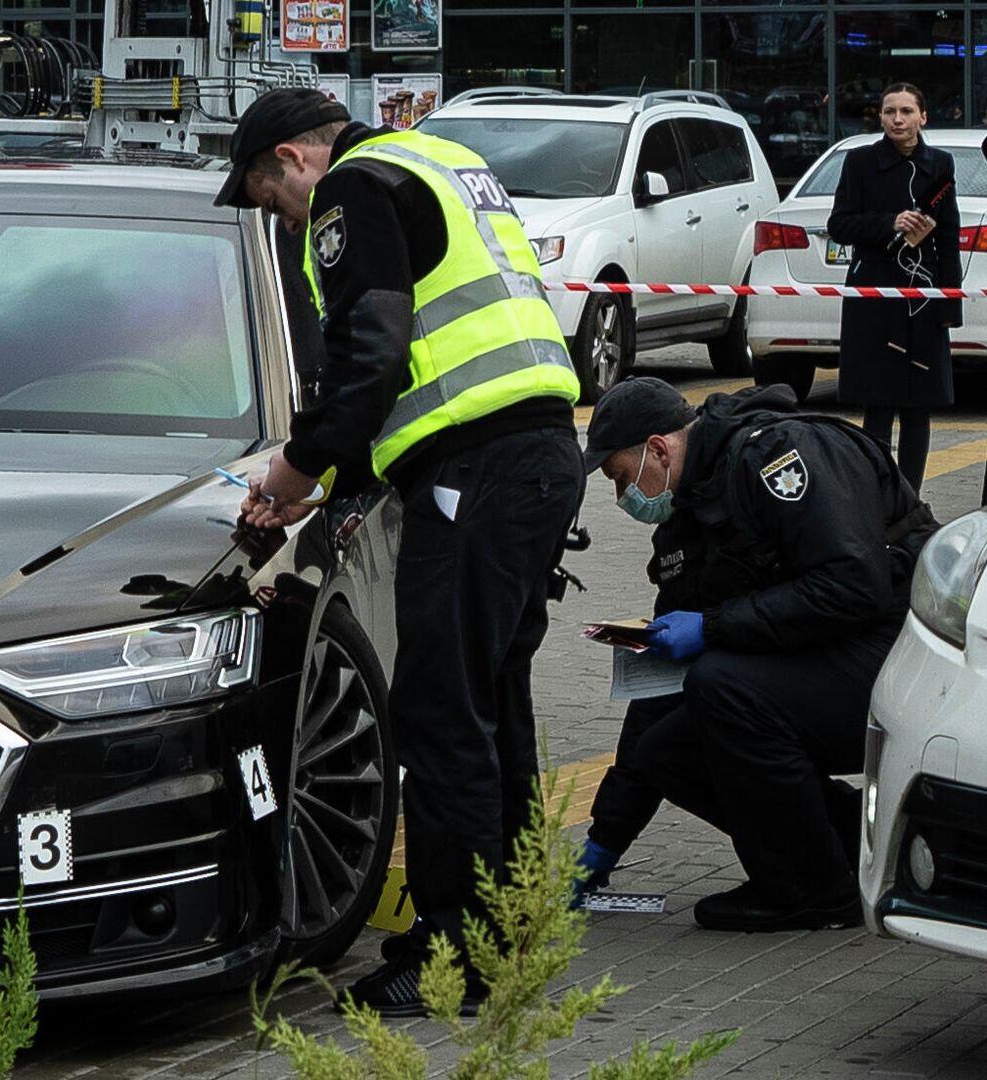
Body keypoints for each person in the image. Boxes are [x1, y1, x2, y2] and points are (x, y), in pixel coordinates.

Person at [214, 87, 582, 1015]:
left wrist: (291, 476)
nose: (282, 220)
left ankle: (454, 954)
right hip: (533, 452)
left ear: (293, 161)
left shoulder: (351, 187)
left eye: (270, 200)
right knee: (491, 697)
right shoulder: (445, 161)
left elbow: (368, 356)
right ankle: (506, 921)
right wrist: (338, 479)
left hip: (479, 465)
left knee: (441, 710)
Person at [580, 377, 936, 931]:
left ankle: (812, 893)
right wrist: (604, 839)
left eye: (621, 478)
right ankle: (848, 850)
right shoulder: (689, 511)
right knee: (664, 750)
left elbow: (852, 585)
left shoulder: (779, 457)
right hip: (827, 657)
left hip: (904, 660)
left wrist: (715, 627)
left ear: (658, 449)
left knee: (722, 687)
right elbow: (658, 683)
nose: (621, 496)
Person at [827, 82, 960, 493]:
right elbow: (839, 225)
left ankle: (911, 499)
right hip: (875, 296)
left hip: (924, 296)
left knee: (919, 407)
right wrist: (890, 222)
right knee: (878, 404)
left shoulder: (940, 164)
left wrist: (948, 304)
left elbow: (949, 234)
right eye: (889, 112)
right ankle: (878, 496)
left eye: (905, 111)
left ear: (923, 116)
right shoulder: (860, 162)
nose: (897, 119)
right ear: (880, 117)